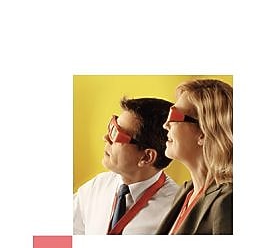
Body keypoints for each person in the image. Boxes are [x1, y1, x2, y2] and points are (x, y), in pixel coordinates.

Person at [73, 97, 181, 235]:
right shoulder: (97, 186)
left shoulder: (175, 212)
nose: (106, 138)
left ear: (146, 157)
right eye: (112, 127)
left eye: (117, 134)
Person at [155, 78, 234, 235]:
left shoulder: (228, 201)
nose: (166, 125)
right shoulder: (186, 192)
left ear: (203, 133)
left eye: (174, 115)